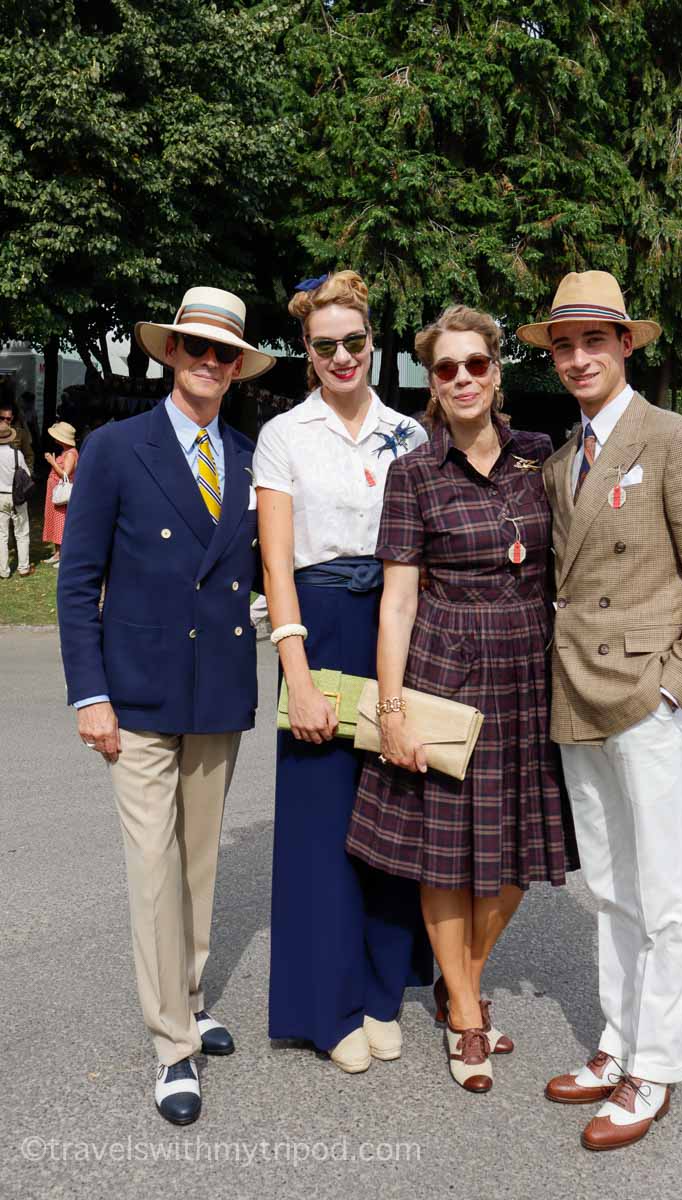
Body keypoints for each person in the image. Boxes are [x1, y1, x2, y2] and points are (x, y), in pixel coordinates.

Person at [516, 271, 682, 1151]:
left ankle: (656, 1066)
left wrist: (672, 688)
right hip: (576, 688)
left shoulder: (676, 439)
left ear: (624, 346)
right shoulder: (560, 460)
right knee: (610, 888)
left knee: (665, 897)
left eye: (593, 342)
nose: (578, 357)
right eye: (564, 345)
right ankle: (618, 1043)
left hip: (645, 697)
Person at [347, 305, 578, 1095]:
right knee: (445, 854)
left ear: (496, 370)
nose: (463, 380)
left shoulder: (539, 457)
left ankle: (461, 985)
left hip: (529, 672)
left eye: (475, 364)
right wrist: (392, 708)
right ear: (432, 384)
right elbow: (398, 600)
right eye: (446, 370)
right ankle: (470, 1019)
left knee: (518, 850)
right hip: (445, 670)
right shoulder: (413, 473)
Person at [57, 286, 274, 1125]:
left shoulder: (253, 458)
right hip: (137, 692)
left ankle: (187, 993)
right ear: (170, 355)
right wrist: (90, 694)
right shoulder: (115, 449)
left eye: (225, 354)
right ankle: (171, 1045)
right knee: (153, 870)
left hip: (217, 689)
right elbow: (77, 584)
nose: (210, 365)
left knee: (197, 865)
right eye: (197, 350)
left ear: (237, 367)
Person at [255, 271, 431, 1075]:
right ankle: (323, 1007)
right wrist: (297, 668)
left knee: (394, 818)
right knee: (322, 830)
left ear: (372, 339)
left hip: (396, 623)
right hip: (318, 626)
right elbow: (277, 562)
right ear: (306, 351)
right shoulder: (284, 435)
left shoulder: (412, 435)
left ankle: (380, 992)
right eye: (324, 345)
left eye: (353, 341)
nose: (342, 356)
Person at [0, 421, 34, 578]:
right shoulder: (16, 454)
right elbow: (26, 475)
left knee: (2, 534)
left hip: (0, 496)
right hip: (17, 496)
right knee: (22, 532)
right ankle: (23, 567)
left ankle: (3, 570)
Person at [42, 422, 79, 565]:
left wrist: (52, 461)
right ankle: (57, 553)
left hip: (61, 493)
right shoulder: (65, 452)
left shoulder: (70, 453)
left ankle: (64, 556)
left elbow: (65, 474)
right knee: (54, 520)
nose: (55, 439)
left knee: (61, 522)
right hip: (55, 491)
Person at [0, 397, 35, 472]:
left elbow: (29, 455)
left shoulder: (20, 433)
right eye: (2, 418)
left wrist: (28, 473)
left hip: (15, 476)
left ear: (12, 418)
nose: (5, 421)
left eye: (8, 418)